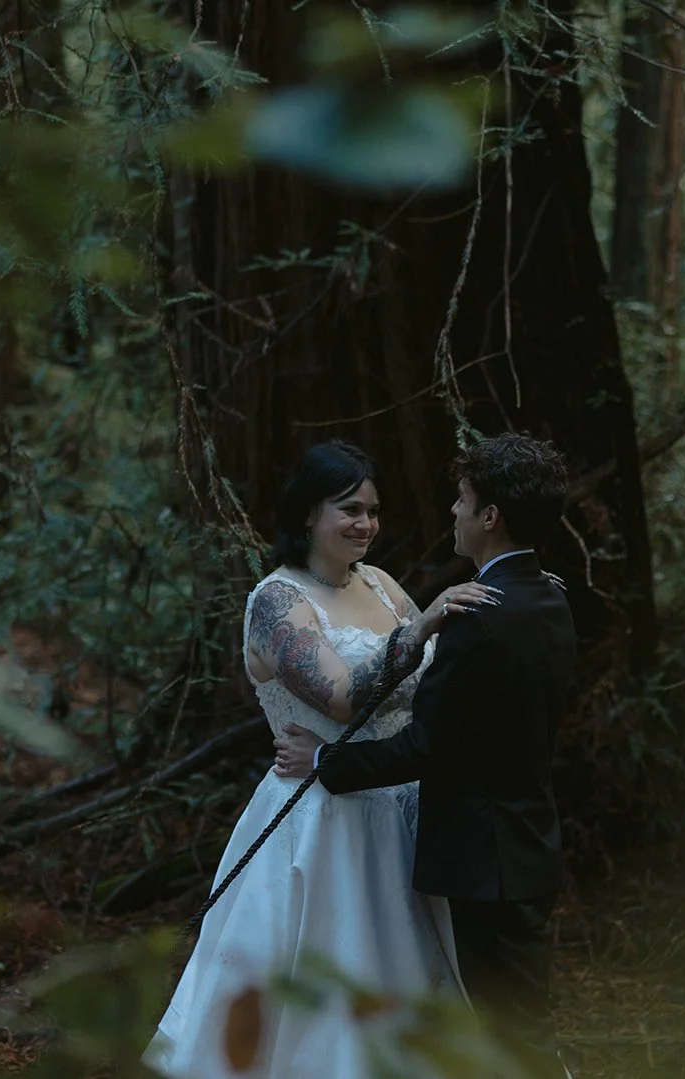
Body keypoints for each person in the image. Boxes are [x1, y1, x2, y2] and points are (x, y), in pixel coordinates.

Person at [145, 440, 499, 1079]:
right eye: (348, 509)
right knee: (333, 983)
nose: (365, 523)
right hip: (320, 817)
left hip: (403, 806)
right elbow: (338, 697)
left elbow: (433, 686)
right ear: (308, 514)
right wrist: (423, 629)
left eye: (372, 509)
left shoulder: (381, 584)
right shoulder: (277, 601)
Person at [276, 432, 577, 1079]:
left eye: (463, 500)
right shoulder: (551, 598)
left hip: (484, 858)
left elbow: (426, 745)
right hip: (528, 844)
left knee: (511, 1033)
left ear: (490, 515)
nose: (453, 512)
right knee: (519, 1025)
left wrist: (328, 763)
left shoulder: (478, 618)